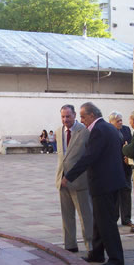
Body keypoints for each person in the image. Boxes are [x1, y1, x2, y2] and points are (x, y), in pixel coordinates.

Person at [61, 102, 126, 265]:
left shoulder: (98, 130)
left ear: (92, 115)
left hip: (104, 183)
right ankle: (97, 253)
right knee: (98, 221)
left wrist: (69, 176)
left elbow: (89, 157)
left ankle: (116, 259)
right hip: (112, 182)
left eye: (83, 116)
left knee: (107, 223)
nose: (81, 120)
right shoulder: (109, 128)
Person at [55, 104, 93, 253]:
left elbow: (88, 156)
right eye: (63, 116)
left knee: (85, 216)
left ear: (75, 115)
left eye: (68, 116)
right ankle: (70, 245)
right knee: (67, 215)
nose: (65, 119)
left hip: (80, 181)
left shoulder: (84, 131)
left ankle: (91, 246)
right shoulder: (59, 132)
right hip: (62, 180)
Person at [108, 111, 133, 227]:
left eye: (121, 120)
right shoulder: (108, 132)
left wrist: (128, 155)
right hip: (113, 168)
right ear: (111, 122)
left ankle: (126, 218)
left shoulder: (126, 129)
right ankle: (114, 218)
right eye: (118, 121)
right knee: (114, 195)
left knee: (126, 193)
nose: (120, 123)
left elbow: (131, 145)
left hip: (126, 167)